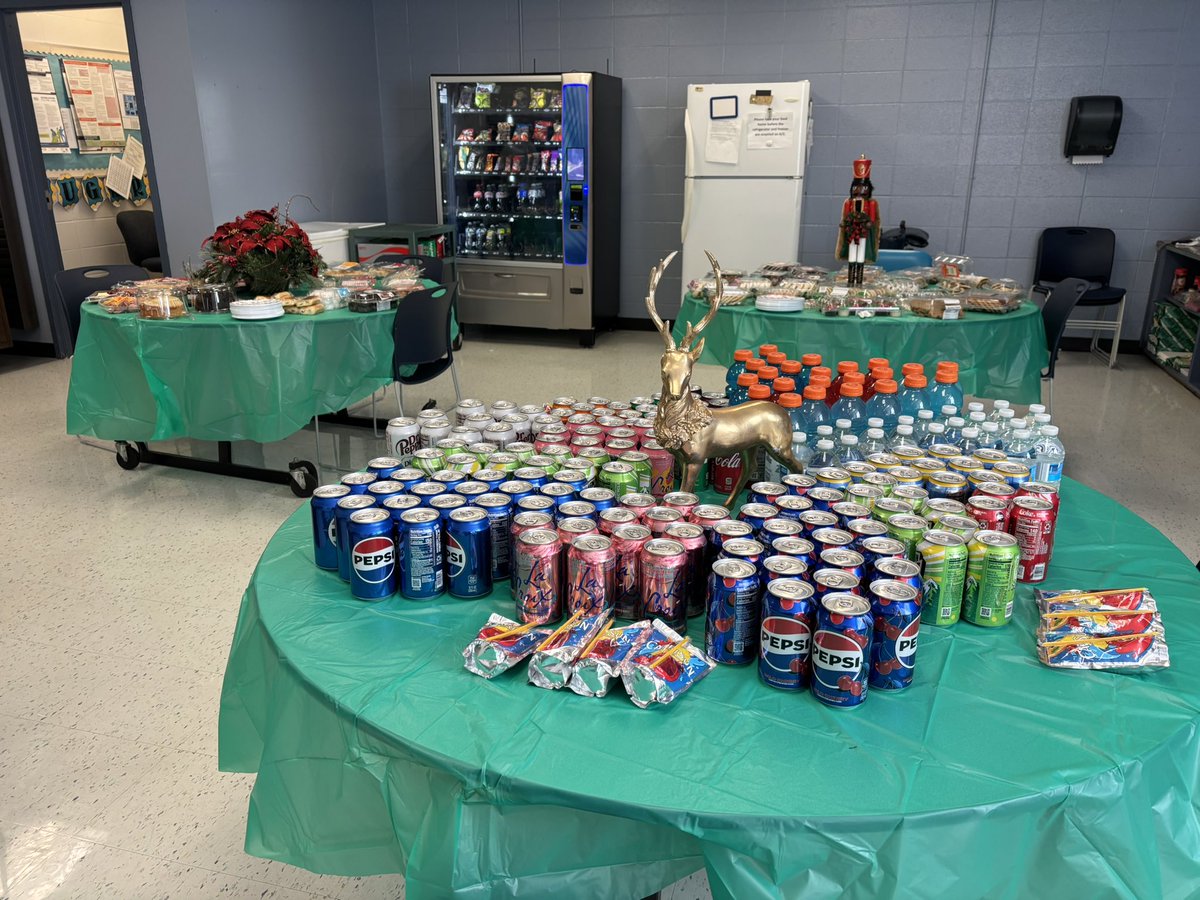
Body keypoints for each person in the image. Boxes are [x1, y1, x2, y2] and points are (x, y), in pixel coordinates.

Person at [835, 155, 881, 287]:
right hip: (851, 231)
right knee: (852, 254)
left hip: (863, 233)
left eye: (863, 188)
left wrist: (868, 224)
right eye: (856, 188)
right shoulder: (849, 202)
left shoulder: (871, 204)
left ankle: (859, 280)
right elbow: (845, 216)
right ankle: (850, 279)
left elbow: (872, 218)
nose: (859, 191)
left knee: (861, 253)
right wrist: (845, 223)